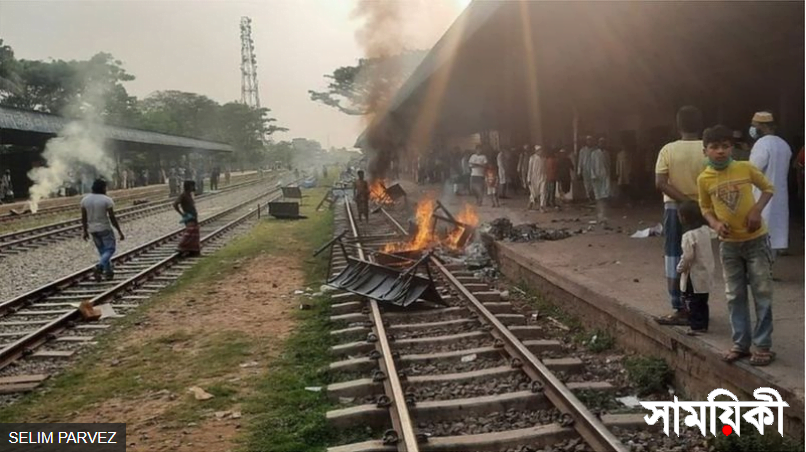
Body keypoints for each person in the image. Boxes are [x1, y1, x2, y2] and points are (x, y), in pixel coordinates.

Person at [697, 124, 775, 366]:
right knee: (734, 294)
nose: (720, 151)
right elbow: (705, 208)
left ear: (732, 147)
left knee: (762, 291)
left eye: (725, 146)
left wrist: (756, 210)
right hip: (729, 245)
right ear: (705, 151)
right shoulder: (704, 179)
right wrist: (715, 224)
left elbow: (768, 189)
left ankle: (762, 346)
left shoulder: (745, 168)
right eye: (715, 147)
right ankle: (741, 344)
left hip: (755, 241)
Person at [655, 106, 705, 325]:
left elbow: (660, 182)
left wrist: (683, 201)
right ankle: (698, 307)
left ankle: (679, 306)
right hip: (702, 210)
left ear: (678, 125)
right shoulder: (707, 148)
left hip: (675, 209)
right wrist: (696, 203)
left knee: (675, 255)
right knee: (699, 258)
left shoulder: (668, 150)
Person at [748, 111, 791, 255]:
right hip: (779, 194)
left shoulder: (762, 144)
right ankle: (770, 271)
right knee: (774, 235)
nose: (752, 129)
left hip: (761, 195)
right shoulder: (783, 144)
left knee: (760, 234)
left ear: (763, 126)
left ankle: (762, 273)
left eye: (755, 126)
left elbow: (753, 169)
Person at [676, 200, 714, 335]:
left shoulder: (688, 236)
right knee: (703, 301)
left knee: (693, 302)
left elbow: (687, 256)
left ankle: (697, 326)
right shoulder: (705, 230)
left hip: (694, 275)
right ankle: (704, 324)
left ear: (684, 218)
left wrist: (679, 268)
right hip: (707, 272)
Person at [81, 179, 125, 281]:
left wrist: (85, 231)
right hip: (105, 228)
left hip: (93, 230)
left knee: (103, 252)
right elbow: (112, 218)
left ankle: (109, 272)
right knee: (110, 249)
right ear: (103, 188)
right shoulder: (107, 200)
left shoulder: (85, 200)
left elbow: (83, 218)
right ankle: (99, 266)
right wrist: (119, 231)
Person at [173, 180, 201, 257]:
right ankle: (182, 247)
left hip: (193, 216)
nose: (194, 187)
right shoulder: (183, 195)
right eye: (192, 186)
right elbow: (175, 204)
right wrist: (182, 213)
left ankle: (193, 250)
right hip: (189, 216)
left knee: (194, 233)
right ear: (189, 186)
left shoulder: (189, 195)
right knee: (190, 232)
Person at [590, 143, 610, 222]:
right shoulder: (594, 153)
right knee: (598, 194)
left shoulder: (606, 153)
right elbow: (592, 165)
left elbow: (608, 164)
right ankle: (599, 211)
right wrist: (593, 175)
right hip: (597, 176)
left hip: (605, 175)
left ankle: (603, 211)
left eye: (603, 142)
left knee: (605, 193)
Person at [527, 145, 547, 211]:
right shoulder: (532, 158)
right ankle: (531, 202)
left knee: (543, 192)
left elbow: (545, 168)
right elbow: (529, 169)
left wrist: (545, 176)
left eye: (541, 150)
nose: (540, 152)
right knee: (534, 193)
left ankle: (542, 206)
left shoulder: (544, 158)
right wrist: (528, 178)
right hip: (534, 178)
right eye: (539, 150)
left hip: (542, 177)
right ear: (536, 151)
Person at [577, 136, 596, 201]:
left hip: (593, 169)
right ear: (586, 141)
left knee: (593, 183)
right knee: (587, 184)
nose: (589, 142)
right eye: (588, 140)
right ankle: (589, 197)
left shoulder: (594, 150)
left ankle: (593, 197)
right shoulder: (582, 150)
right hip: (585, 169)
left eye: (590, 140)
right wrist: (579, 171)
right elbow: (580, 161)